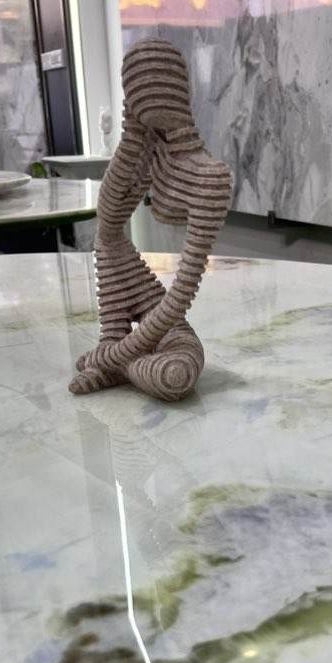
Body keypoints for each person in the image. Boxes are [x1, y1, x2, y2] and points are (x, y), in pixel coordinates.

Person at [69, 39, 232, 402]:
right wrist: (131, 133)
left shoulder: (211, 177)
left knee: (177, 374)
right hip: (124, 274)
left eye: (151, 83)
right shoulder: (145, 153)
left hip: (161, 313)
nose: (144, 96)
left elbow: (180, 297)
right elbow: (108, 223)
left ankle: (121, 367)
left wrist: (109, 356)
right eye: (135, 89)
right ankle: (126, 364)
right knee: (169, 373)